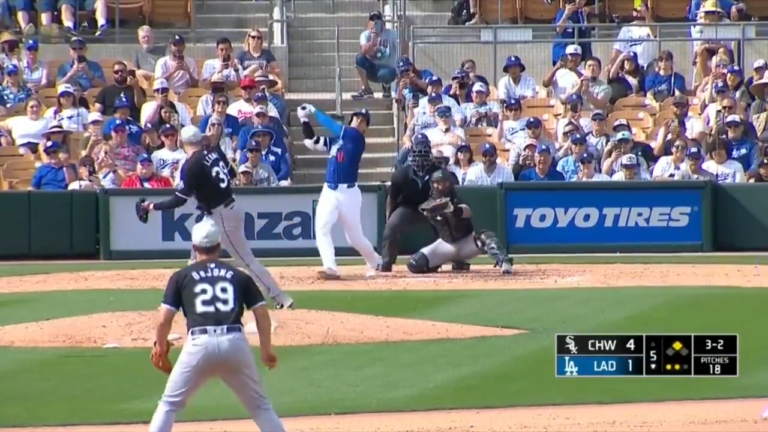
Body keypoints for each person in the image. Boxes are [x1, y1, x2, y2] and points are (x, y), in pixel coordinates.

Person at [147, 218, 285, 432]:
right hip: (234, 344)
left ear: (194, 248)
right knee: (260, 407)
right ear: (219, 247)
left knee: (168, 405)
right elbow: (262, 314)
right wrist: (266, 351)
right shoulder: (239, 276)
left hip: (198, 346)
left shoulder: (181, 277)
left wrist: (160, 348)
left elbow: (164, 319)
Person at [140, 125, 295, 309]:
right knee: (195, 256)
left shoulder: (191, 164)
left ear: (182, 141)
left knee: (247, 261)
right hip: (220, 211)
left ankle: (281, 298)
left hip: (222, 215)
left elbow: (179, 200)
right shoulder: (212, 152)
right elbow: (231, 173)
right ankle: (180, 301)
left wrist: (151, 206)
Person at [297, 104, 383, 278]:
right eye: (357, 117)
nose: (359, 121)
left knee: (354, 238)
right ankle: (330, 267)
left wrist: (313, 111)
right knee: (321, 229)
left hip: (348, 193)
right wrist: (304, 120)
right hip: (329, 191)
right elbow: (312, 142)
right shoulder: (337, 140)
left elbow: (332, 125)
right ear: (351, 119)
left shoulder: (357, 137)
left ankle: (376, 261)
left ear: (366, 127)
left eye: (363, 120)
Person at [406, 169, 513, 275]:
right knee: (415, 264)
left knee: (487, 236)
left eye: (444, 183)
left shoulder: (458, 201)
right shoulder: (430, 206)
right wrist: (434, 210)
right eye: (436, 183)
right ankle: (450, 262)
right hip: (446, 245)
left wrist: (451, 209)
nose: (440, 186)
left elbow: (465, 211)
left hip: (467, 243)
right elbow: (425, 212)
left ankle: (504, 262)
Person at [380, 138, 442, 272]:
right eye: (418, 152)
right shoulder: (401, 174)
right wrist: (389, 218)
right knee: (392, 226)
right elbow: (392, 198)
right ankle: (387, 261)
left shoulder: (438, 172)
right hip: (408, 207)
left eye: (424, 152)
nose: (421, 157)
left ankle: (458, 260)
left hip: (431, 206)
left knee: (450, 224)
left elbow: (446, 197)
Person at [353, 10, 398, 99]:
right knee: (359, 58)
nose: (375, 22)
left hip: (386, 69)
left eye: (377, 19)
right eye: (372, 20)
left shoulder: (392, 33)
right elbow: (363, 51)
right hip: (371, 69)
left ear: (382, 22)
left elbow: (404, 48)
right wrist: (373, 41)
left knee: (391, 72)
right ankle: (367, 89)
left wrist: (401, 34)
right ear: (369, 23)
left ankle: (386, 86)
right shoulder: (365, 35)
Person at [607, 3, 657, 71]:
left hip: (646, 66)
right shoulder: (626, 28)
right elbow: (618, 49)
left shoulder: (651, 26)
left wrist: (646, 14)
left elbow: (654, 33)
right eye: (636, 11)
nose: (638, 14)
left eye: (641, 11)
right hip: (629, 66)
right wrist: (611, 63)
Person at [552, 0, 592, 67]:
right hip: (563, 51)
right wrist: (566, 14)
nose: (578, 1)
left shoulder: (583, 14)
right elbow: (558, 30)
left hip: (581, 52)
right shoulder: (562, 12)